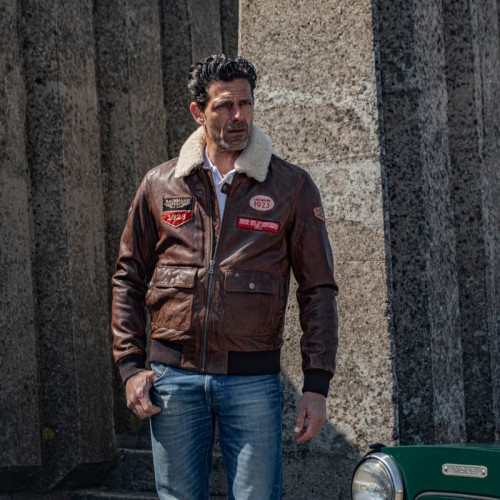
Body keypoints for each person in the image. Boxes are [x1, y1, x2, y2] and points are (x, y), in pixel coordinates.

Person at [111, 54, 339, 500]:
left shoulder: (290, 186)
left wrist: (316, 386)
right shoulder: (160, 184)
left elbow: (318, 290)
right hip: (172, 378)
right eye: (224, 106)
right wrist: (130, 367)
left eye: (245, 104)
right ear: (198, 112)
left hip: (252, 381)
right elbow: (127, 277)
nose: (238, 116)